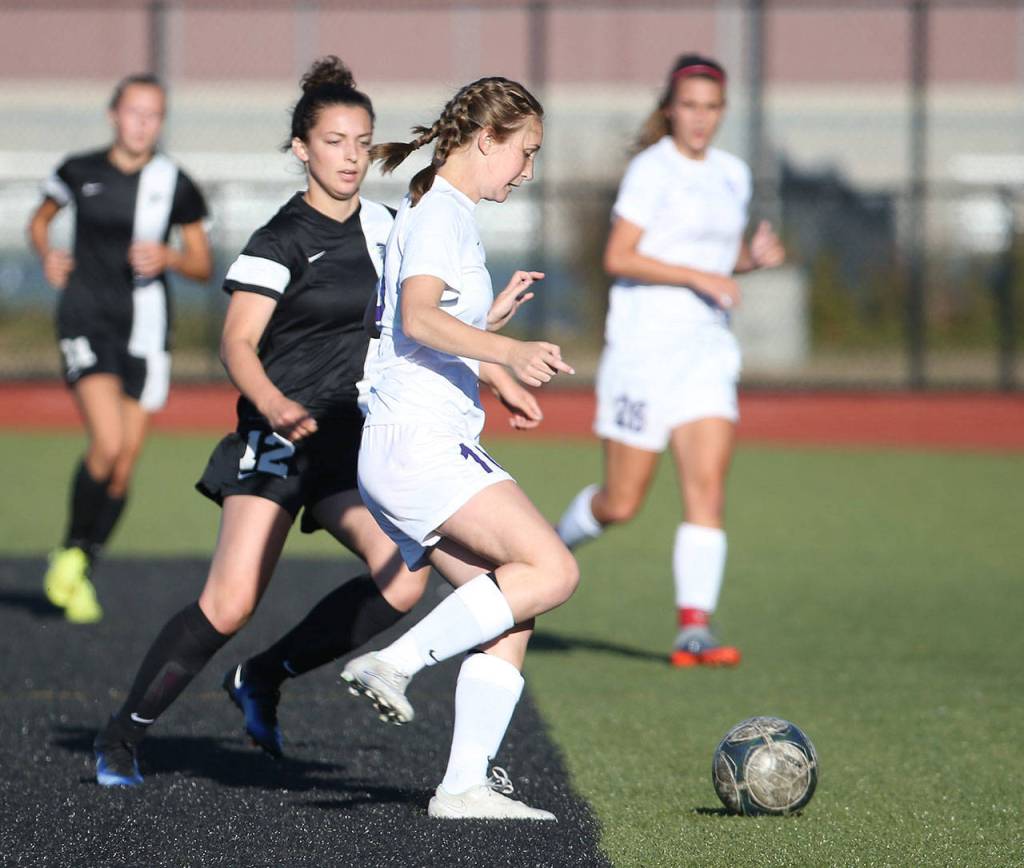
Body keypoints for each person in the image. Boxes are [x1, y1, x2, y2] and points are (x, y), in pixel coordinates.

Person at [91, 57, 542, 790]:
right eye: (334, 141)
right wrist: (270, 401)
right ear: (302, 148)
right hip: (277, 438)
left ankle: (263, 677)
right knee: (231, 600)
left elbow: (415, 328)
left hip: (353, 439)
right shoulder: (280, 239)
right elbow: (237, 342)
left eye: (363, 141)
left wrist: (493, 355)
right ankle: (123, 733)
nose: (351, 156)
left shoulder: (392, 228)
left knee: (401, 580)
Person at [340, 76, 578, 821]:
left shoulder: (440, 212)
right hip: (420, 443)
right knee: (552, 568)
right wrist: (506, 351)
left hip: (404, 442)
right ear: (487, 139)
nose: (528, 170)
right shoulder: (443, 213)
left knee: (512, 611)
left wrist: (489, 343)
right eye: (525, 153)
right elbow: (416, 319)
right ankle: (396, 661)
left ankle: (463, 787)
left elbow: (427, 328)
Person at [555, 54, 785, 668]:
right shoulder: (650, 171)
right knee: (622, 503)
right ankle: (549, 550)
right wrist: (699, 275)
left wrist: (747, 262)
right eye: (689, 105)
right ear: (669, 110)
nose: (701, 118)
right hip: (643, 354)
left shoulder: (732, 174)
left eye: (712, 107)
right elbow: (619, 256)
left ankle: (694, 629)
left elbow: (715, 258)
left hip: (706, 353)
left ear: (722, 112)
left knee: (706, 491)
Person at [28, 74, 212, 624]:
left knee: (123, 467)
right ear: (114, 114)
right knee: (106, 442)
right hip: (87, 318)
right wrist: (47, 254)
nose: (142, 124)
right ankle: (69, 554)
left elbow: (202, 266)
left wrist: (170, 258)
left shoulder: (174, 183)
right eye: (134, 112)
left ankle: (80, 561)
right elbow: (40, 221)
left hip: (147, 331)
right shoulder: (77, 170)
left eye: (153, 115)